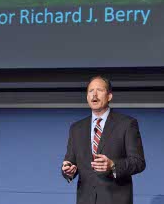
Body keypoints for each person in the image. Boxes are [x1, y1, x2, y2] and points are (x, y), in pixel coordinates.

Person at [62, 75, 146, 204]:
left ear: (109, 96)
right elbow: (70, 162)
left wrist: (113, 165)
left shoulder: (126, 124)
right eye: (90, 91)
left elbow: (138, 162)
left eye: (99, 90)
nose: (94, 95)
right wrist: (68, 170)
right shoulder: (76, 128)